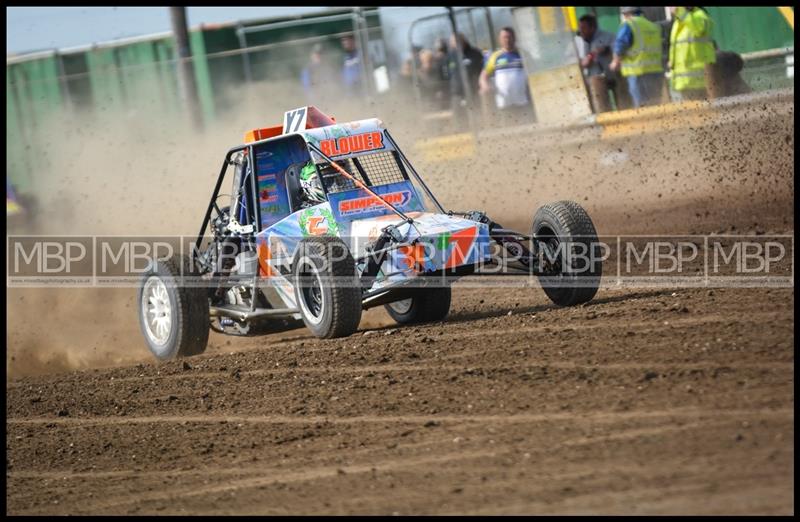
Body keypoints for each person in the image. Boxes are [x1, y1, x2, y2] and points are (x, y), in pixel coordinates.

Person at [609, 7, 665, 108]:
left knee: (643, 107)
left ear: (626, 13)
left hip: (638, 73)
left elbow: (620, 44)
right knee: (656, 105)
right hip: (656, 72)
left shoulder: (629, 24)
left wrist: (615, 61)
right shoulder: (652, 26)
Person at [479, 27, 530, 118]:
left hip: (522, 102)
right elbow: (484, 75)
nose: (507, 40)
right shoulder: (495, 56)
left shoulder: (523, 54)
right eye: (504, 37)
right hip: (504, 104)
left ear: (514, 38)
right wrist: (485, 85)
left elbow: (533, 72)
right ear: (500, 40)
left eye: (509, 37)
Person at [668, 6, 716, 101]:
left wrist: (681, 12)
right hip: (683, 81)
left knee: (705, 111)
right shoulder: (678, 23)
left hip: (700, 81)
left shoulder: (701, 16)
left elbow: (699, 28)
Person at [574, 14, 618, 111]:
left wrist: (607, 50)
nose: (581, 31)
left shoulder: (608, 37)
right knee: (602, 108)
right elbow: (578, 62)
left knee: (623, 102)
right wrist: (589, 57)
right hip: (594, 78)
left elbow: (618, 52)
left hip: (612, 75)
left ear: (593, 28)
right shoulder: (578, 41)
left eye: (583, 28)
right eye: (580, 28)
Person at [447, 32, 484, 104]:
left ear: (463, 41)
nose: (457, 44)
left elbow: (482, 71)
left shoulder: (475, 53)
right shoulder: (450, 57)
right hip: (457, 95)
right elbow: (447, 76)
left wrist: (481, 86)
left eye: (459, 41)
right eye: (454, 42)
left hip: (474, 94)